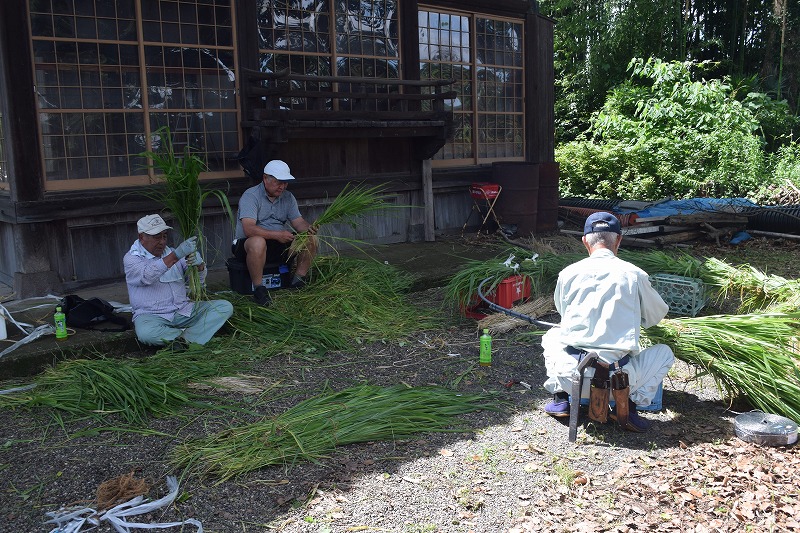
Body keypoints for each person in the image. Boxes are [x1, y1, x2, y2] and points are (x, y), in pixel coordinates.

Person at [541, 212, 674, 432]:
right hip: (619, 382)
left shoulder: (568, 273)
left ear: (585, 241)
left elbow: (563, 313)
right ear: (618, 240)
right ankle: (629, 407)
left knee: (553, 335)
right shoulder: (635, 275)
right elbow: (655, 316)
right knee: (665, 353)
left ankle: (561, 399)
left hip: (572, 377)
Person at [124, 214, 234, 347]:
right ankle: (193, 338)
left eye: (164, 236)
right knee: (146, 334)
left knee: (224, 307)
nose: (162, 242)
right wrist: (175, 256)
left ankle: (185, 340)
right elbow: (147, 276)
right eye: (157, 237)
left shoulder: (172, 252)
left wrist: (199, 266)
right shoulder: (132, 258)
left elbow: (197, 284)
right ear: (142, 237)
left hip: (183, 310)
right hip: (152, 315)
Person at [233, 159, 317, 306]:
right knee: (258, 241)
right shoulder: (251, 196)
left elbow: (298, 222)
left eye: (285, 183)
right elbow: (249, 229)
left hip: (279, 243)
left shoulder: (288, 197)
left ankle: (297, 281)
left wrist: (309, 228)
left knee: (311, 238)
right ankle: (259, 289)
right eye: (279, 182)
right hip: (247, 245)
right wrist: (277, 235)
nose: (282, 186)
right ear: (265, 178)